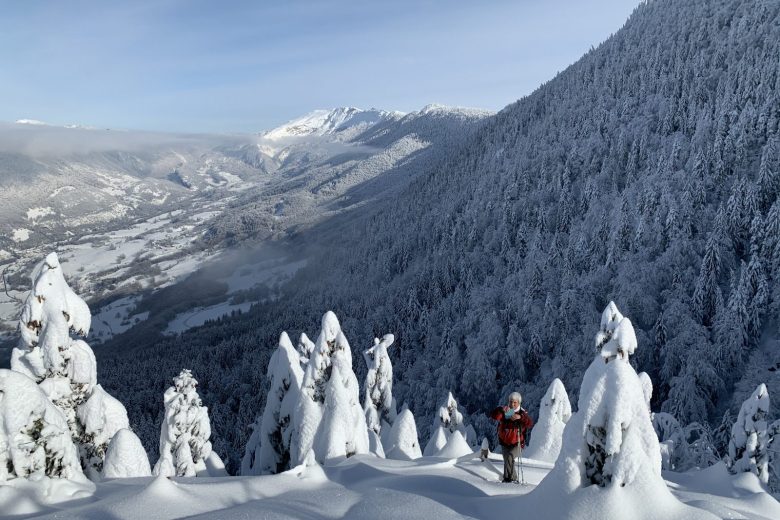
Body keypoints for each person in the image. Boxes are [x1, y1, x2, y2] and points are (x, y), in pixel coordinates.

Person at [488, 392, 534, 483]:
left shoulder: (522, 413)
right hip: (505, 442)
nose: (512, 404)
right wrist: (500, 410)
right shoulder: (507, 411)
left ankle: (508, 479)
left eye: (514, 402)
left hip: (517, 443)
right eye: (510, 402)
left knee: (509, 458)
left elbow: (529, 423)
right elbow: (495, 416)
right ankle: (512, 479)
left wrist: (520, 417)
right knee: (508, 461)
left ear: (519, 403)